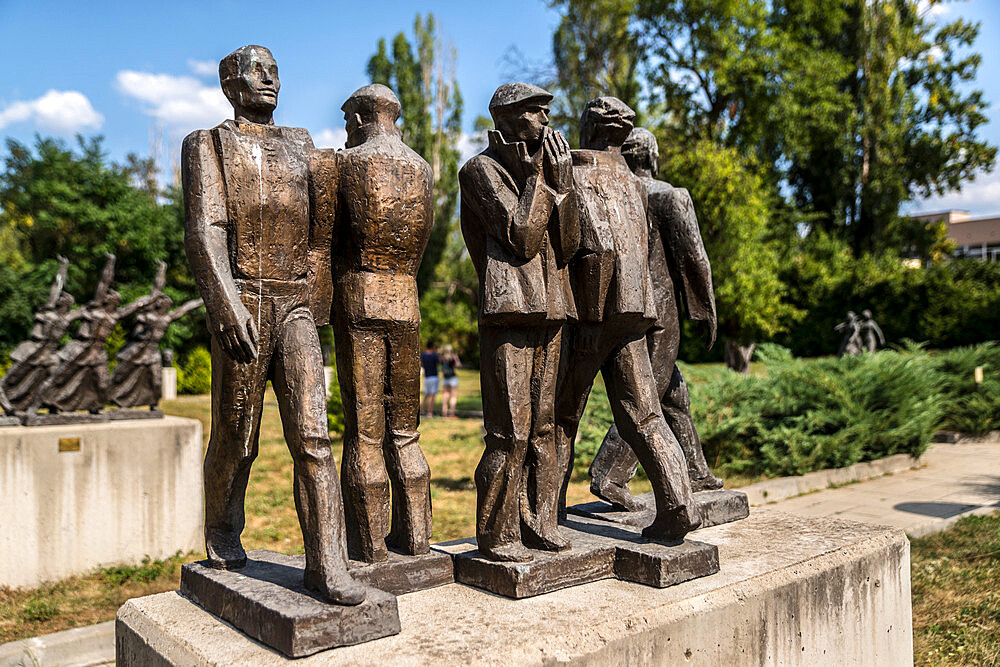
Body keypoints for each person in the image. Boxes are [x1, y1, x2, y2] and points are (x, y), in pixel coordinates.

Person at [182, 44, 363, 605]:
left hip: (295, 304)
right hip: (244, 299)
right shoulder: (208, 144)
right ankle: (221, 529)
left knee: (313, 435)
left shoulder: (301, 144)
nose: (271, 81)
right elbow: (205, 227)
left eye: (276, 72)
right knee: (239, 438)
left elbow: (321, 230)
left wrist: (318, 301)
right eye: (258, 72)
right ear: (230, 84)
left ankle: (327, 563)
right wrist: (225, 301)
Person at [554, 97, 700, 542]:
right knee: (646, 414)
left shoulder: (578, 173)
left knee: (561, 416)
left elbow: (592, 247)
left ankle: (546, 515)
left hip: (594, 317)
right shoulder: (633, 183)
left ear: (588, 128)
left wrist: (591, 320)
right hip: (636, 313)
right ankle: (679, 505)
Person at [460, 82, 579, 562]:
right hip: (509, 314)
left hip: (551, 312)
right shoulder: (480, 171)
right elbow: (521, 237)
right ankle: (497, 533)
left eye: (547, 111)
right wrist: (539, 182)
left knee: (544, 428)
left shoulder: (545, 173)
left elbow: (569, 246)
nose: (546, 121)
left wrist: (564, 189)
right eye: (535, 111)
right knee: (510, 432)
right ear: (507, 117)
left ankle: (541, 522)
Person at [325, 84, 434, 563]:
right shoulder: (420, 168)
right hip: (406, 299)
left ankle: (369, 549)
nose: (346, 130)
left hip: (359, 297)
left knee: (365, 430)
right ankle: (417, 539)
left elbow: (327, 238)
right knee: (406, 430)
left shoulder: (346, 165)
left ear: (360, 117)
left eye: (348, 119)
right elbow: (424, 235)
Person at [588, 127, 722, 512]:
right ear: (652, 156)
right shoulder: (668, 195)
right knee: (645, 396)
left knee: (673, 393)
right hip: (659, 313)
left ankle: (694, 470)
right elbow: (694, 259)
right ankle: (609, 473)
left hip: (621, 304)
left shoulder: (614, 192)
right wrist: (705, 310)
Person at [439, 344, 462, 418]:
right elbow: (458, 365)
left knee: (445, 395)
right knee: (453, 396)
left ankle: (444, 413)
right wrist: (456, 358)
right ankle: (451, 413)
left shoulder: (442, 358)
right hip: (452, 378)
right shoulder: (452, 358)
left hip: (446, 379)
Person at [421, 341, 440, 417]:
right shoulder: (434, 355)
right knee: (433, 395)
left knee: (426, 395)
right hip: (434, 377)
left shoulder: (423, 355)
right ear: (432, 346)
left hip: (426, 377)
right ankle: (430, 413)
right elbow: (439, 362)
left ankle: (422, 410)